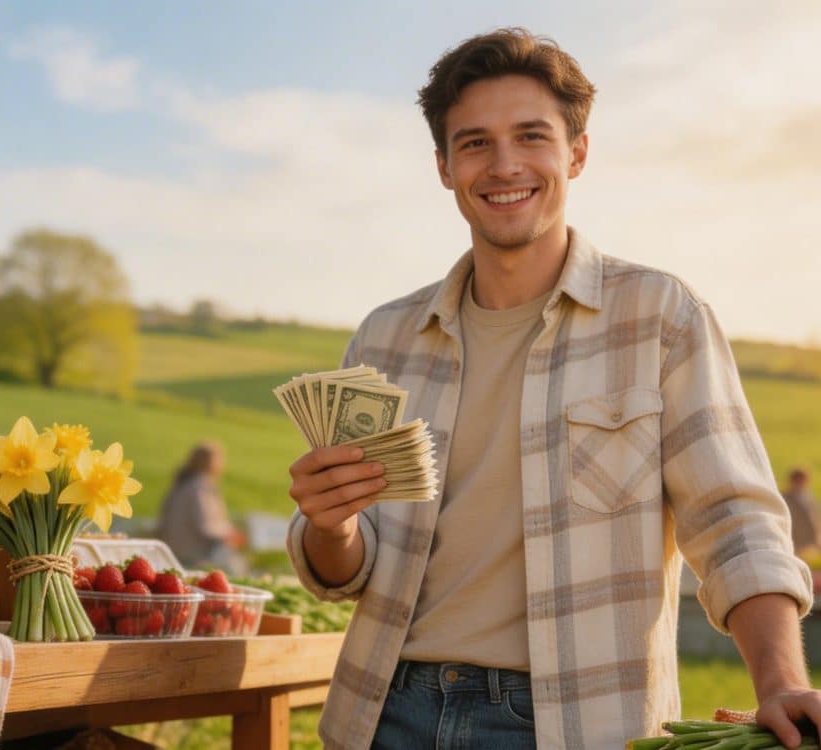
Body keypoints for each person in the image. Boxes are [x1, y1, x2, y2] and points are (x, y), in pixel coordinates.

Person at [284, 28, 817, 750]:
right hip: (387, 713)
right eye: (474, 143)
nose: (504, 165)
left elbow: (735, 524)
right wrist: (330, 525)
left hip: (578, 722)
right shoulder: (384, 339)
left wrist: (782, 681)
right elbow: (344, 572)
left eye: (531, 136)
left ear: (577, 152)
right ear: (443, 166)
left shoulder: (659, 317)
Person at [157, 441, 246, 574]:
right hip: (193, 555)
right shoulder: (201, 487)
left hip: (171, 550)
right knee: (237, 566)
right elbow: (206, 526)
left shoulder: (182, 483)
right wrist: (231, 534)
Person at [782, 467, 821, 553]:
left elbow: (815, 515)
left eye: (803, 480)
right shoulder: (784, 497)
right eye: (798, 480)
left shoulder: (808, 496)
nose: (801, 483)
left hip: (811, 538)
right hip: (795, 539)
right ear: (792, 480)